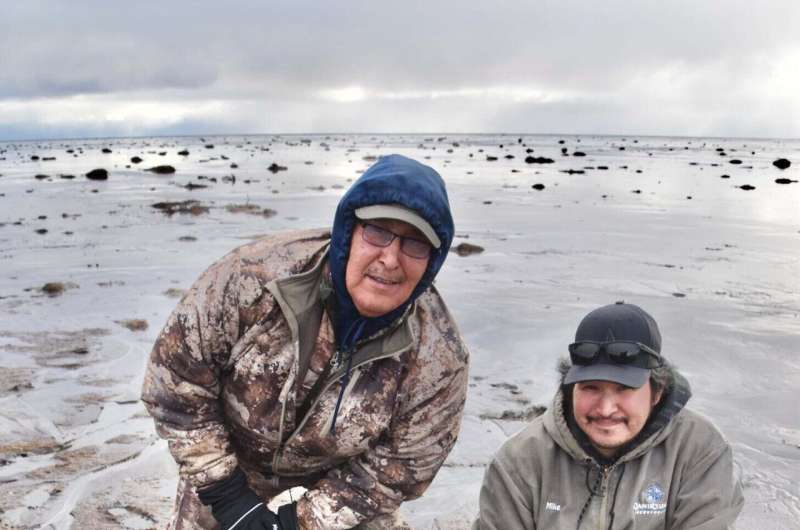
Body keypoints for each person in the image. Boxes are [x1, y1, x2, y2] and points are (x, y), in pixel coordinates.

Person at [141, 154, 470, 530]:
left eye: (415, 244)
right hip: (231, 461)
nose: (391, 259)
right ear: (348, 232)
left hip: (343, 481)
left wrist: (297, 523)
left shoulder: (441, 359)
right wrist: (229, 497)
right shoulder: (249, 279)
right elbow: (175, 387)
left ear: (433, 260)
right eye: (377, 232)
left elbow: (399, 469)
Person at [473, 301, 743, 529]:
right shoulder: (517, 462)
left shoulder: (701, 452)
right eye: (591, 388)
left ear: (657, 391)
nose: (605, 409)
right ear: (571, 387)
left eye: (624, 389)